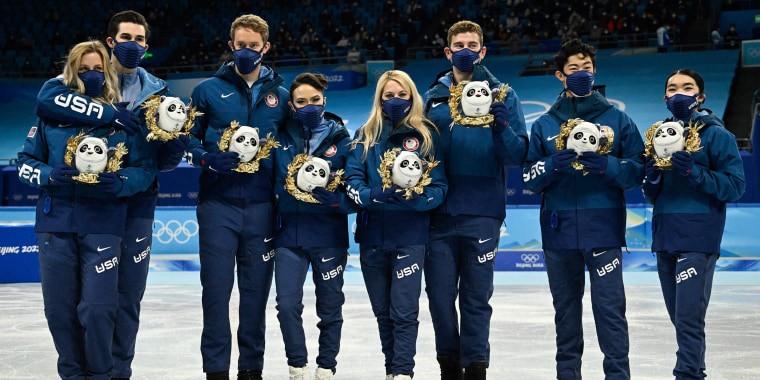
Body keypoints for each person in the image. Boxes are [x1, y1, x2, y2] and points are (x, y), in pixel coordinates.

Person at [32, 10, 186, 380]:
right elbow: (46, 100)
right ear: (110, 41)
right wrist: (109, 114)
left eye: (139, 40)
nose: (132, 45)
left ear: (147, 46)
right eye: (125, 38)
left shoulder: (158, 92)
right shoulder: (80, 79)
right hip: (90, 206)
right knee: (81, 304)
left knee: (125, 299)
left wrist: (174, 146)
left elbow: (157, 163)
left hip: (136, 204)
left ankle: (117, 372)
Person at [17, 40, 153, 380]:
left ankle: (101, 374)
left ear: (107, 72)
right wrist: (49, 174)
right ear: (72, 73)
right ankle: (73, 375)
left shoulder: (124, 116)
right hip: (56, 223)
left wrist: (121, 181)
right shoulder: (49, 114)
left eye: (97, 69)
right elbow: (24, 163)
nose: (91, 75)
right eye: (83, 69)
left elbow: (144, 169)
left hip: (105, 222)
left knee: (98, 308)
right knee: (59, 311)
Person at [521, 38, 645, 380]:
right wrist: (550, 165)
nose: (581, 74)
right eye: (574, 69)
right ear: (561, 75)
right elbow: (529, 178)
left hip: (603, 228)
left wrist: (608, 166)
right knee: (566, 313)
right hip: (558, 233)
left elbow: (638, 168)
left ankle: (617, 376)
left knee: (610, 311)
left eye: (587, 68)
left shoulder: (618, 120)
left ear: (595, 72)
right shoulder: (545, 125)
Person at [186, 13, 290, 380]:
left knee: (255, 295)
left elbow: (292, 149)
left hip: (263, 206)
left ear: (266, 47)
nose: (247, 52)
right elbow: (187, 139)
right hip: (217, 205)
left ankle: (251, 370)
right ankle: (215, 371)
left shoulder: (283, 94)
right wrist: (206, 159)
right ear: (231, 46)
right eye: (240, 45)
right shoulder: (207, 90)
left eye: (254, 46)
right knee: (215, 294)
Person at [422, 20, 528, 380]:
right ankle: (449, 365)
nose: (465, 50)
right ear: (447, 51)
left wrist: (501, 128)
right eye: (458, 44)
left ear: (482, 51)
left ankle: (476, 367)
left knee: (476, 298)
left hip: (482, 210)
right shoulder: (433, 96)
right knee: (438, 297)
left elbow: (517, 156)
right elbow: (420, 151)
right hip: (437, 212)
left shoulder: (503, 95)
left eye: (472, 44)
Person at [344, 70, 447, 380]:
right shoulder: (364, 136)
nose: (395, 100)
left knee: (403, 312)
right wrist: (373, 196)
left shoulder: (428, 135)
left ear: (412, 97)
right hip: (372, 236)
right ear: (379, 99)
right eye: (388, 95)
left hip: (410, 237)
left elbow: (439, 188)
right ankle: (392, 371)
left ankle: (403, 373)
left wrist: (417, 200)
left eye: (402, 95)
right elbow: (352, 181)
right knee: (382, 313)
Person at [643, 69, 745, 380]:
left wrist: (694, 172)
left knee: (688, 316)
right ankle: (695, 370)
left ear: (700, 97)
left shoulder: (718, 136)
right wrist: (652, 174)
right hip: (665, 235)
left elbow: (736, 186)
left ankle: (686, 373)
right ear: (665, 98)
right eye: (672, 88)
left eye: (687, 88)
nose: (679, 94)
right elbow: (651, 195)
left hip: (698, 236)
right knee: (680, 316)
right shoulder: (658, 137)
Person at [272, 73, 356, 380]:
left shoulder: (345, 142)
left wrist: (337, 202)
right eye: (301, 102)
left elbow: (355, 197)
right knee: (287, 305)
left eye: (315, 100)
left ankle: (326, 367)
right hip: (288, 236)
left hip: (329, 235)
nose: (309, 106)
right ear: (292, 105)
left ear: (325, 101)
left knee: (330, 307)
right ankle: (297, 366)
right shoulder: (279, 138)